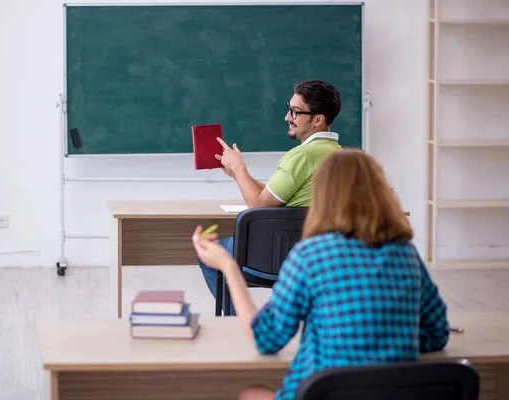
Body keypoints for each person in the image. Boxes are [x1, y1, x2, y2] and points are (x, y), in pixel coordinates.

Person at [191, 149, 449, 400]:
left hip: (323, 391)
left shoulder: (311, 255)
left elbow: (266, 339)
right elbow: (438, 334)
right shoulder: (406, 254)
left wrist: (228, 266)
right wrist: (385, 341)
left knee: (250, 394)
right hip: (395, 392)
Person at [200, 80, 343, 314]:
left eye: (296, 112)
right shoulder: (337, 154)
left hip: (278, 254)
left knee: (207, 249)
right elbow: (274, 196)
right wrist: (238, 174)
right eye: (290, 109)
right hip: (315, 255)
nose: (288, 117)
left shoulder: (301, 156)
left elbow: (258, 205)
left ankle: (239, 319)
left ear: (318, 119)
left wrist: (240, 167)